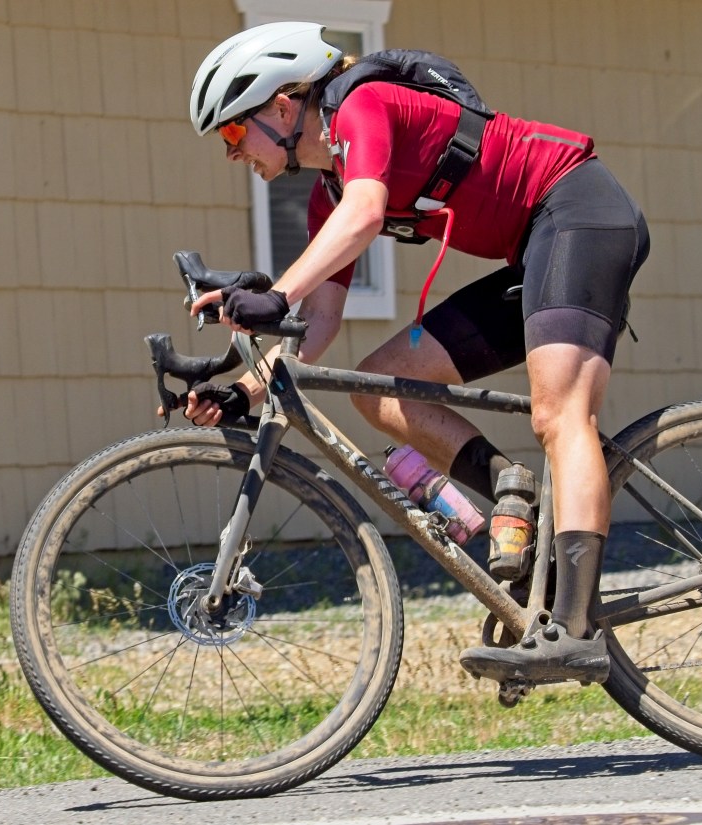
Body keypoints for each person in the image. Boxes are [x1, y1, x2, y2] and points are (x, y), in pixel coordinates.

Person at [184, 21, 649, 685]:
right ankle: (514, 493)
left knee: (558, 414)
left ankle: (572, 631)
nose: (231, 154)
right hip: (533, 250)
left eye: (232, 133)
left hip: (579, 212)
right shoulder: (329, 194)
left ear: (282, 107)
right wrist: (245, 389)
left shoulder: (361, 105)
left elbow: (369, 212)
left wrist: (276, 292)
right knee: (378, 382)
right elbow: (319, 322)